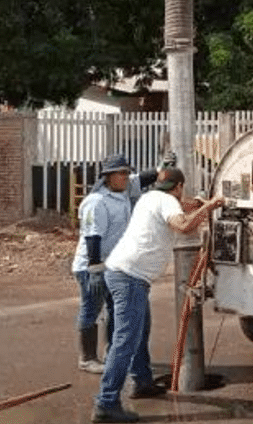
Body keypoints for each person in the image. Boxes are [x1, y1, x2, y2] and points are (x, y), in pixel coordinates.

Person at [91, 167, 224, 423]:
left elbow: (183, 207)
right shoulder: (165, 201)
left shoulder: (151, 197)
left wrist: (199, 203)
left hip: (125, 274)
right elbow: (183, 225)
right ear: (179, 186)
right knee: (125, 341)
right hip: (130, 278)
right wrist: (212, 205)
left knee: (140, 332)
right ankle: (106, 402)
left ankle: (142, 382)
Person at [72, 152, 176, 374]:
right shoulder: (97, 201)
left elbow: (145, 178)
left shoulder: (124, 189)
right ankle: (87, 358)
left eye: (127, 173)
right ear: (108, 176)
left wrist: (162, 167)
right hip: (91, 265)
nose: (127, 177)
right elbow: (92, 236)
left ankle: (113, 355)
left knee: (114, 310)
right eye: (121, 173)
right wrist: (95, 268)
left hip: (114, 264)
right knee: (91, 309)